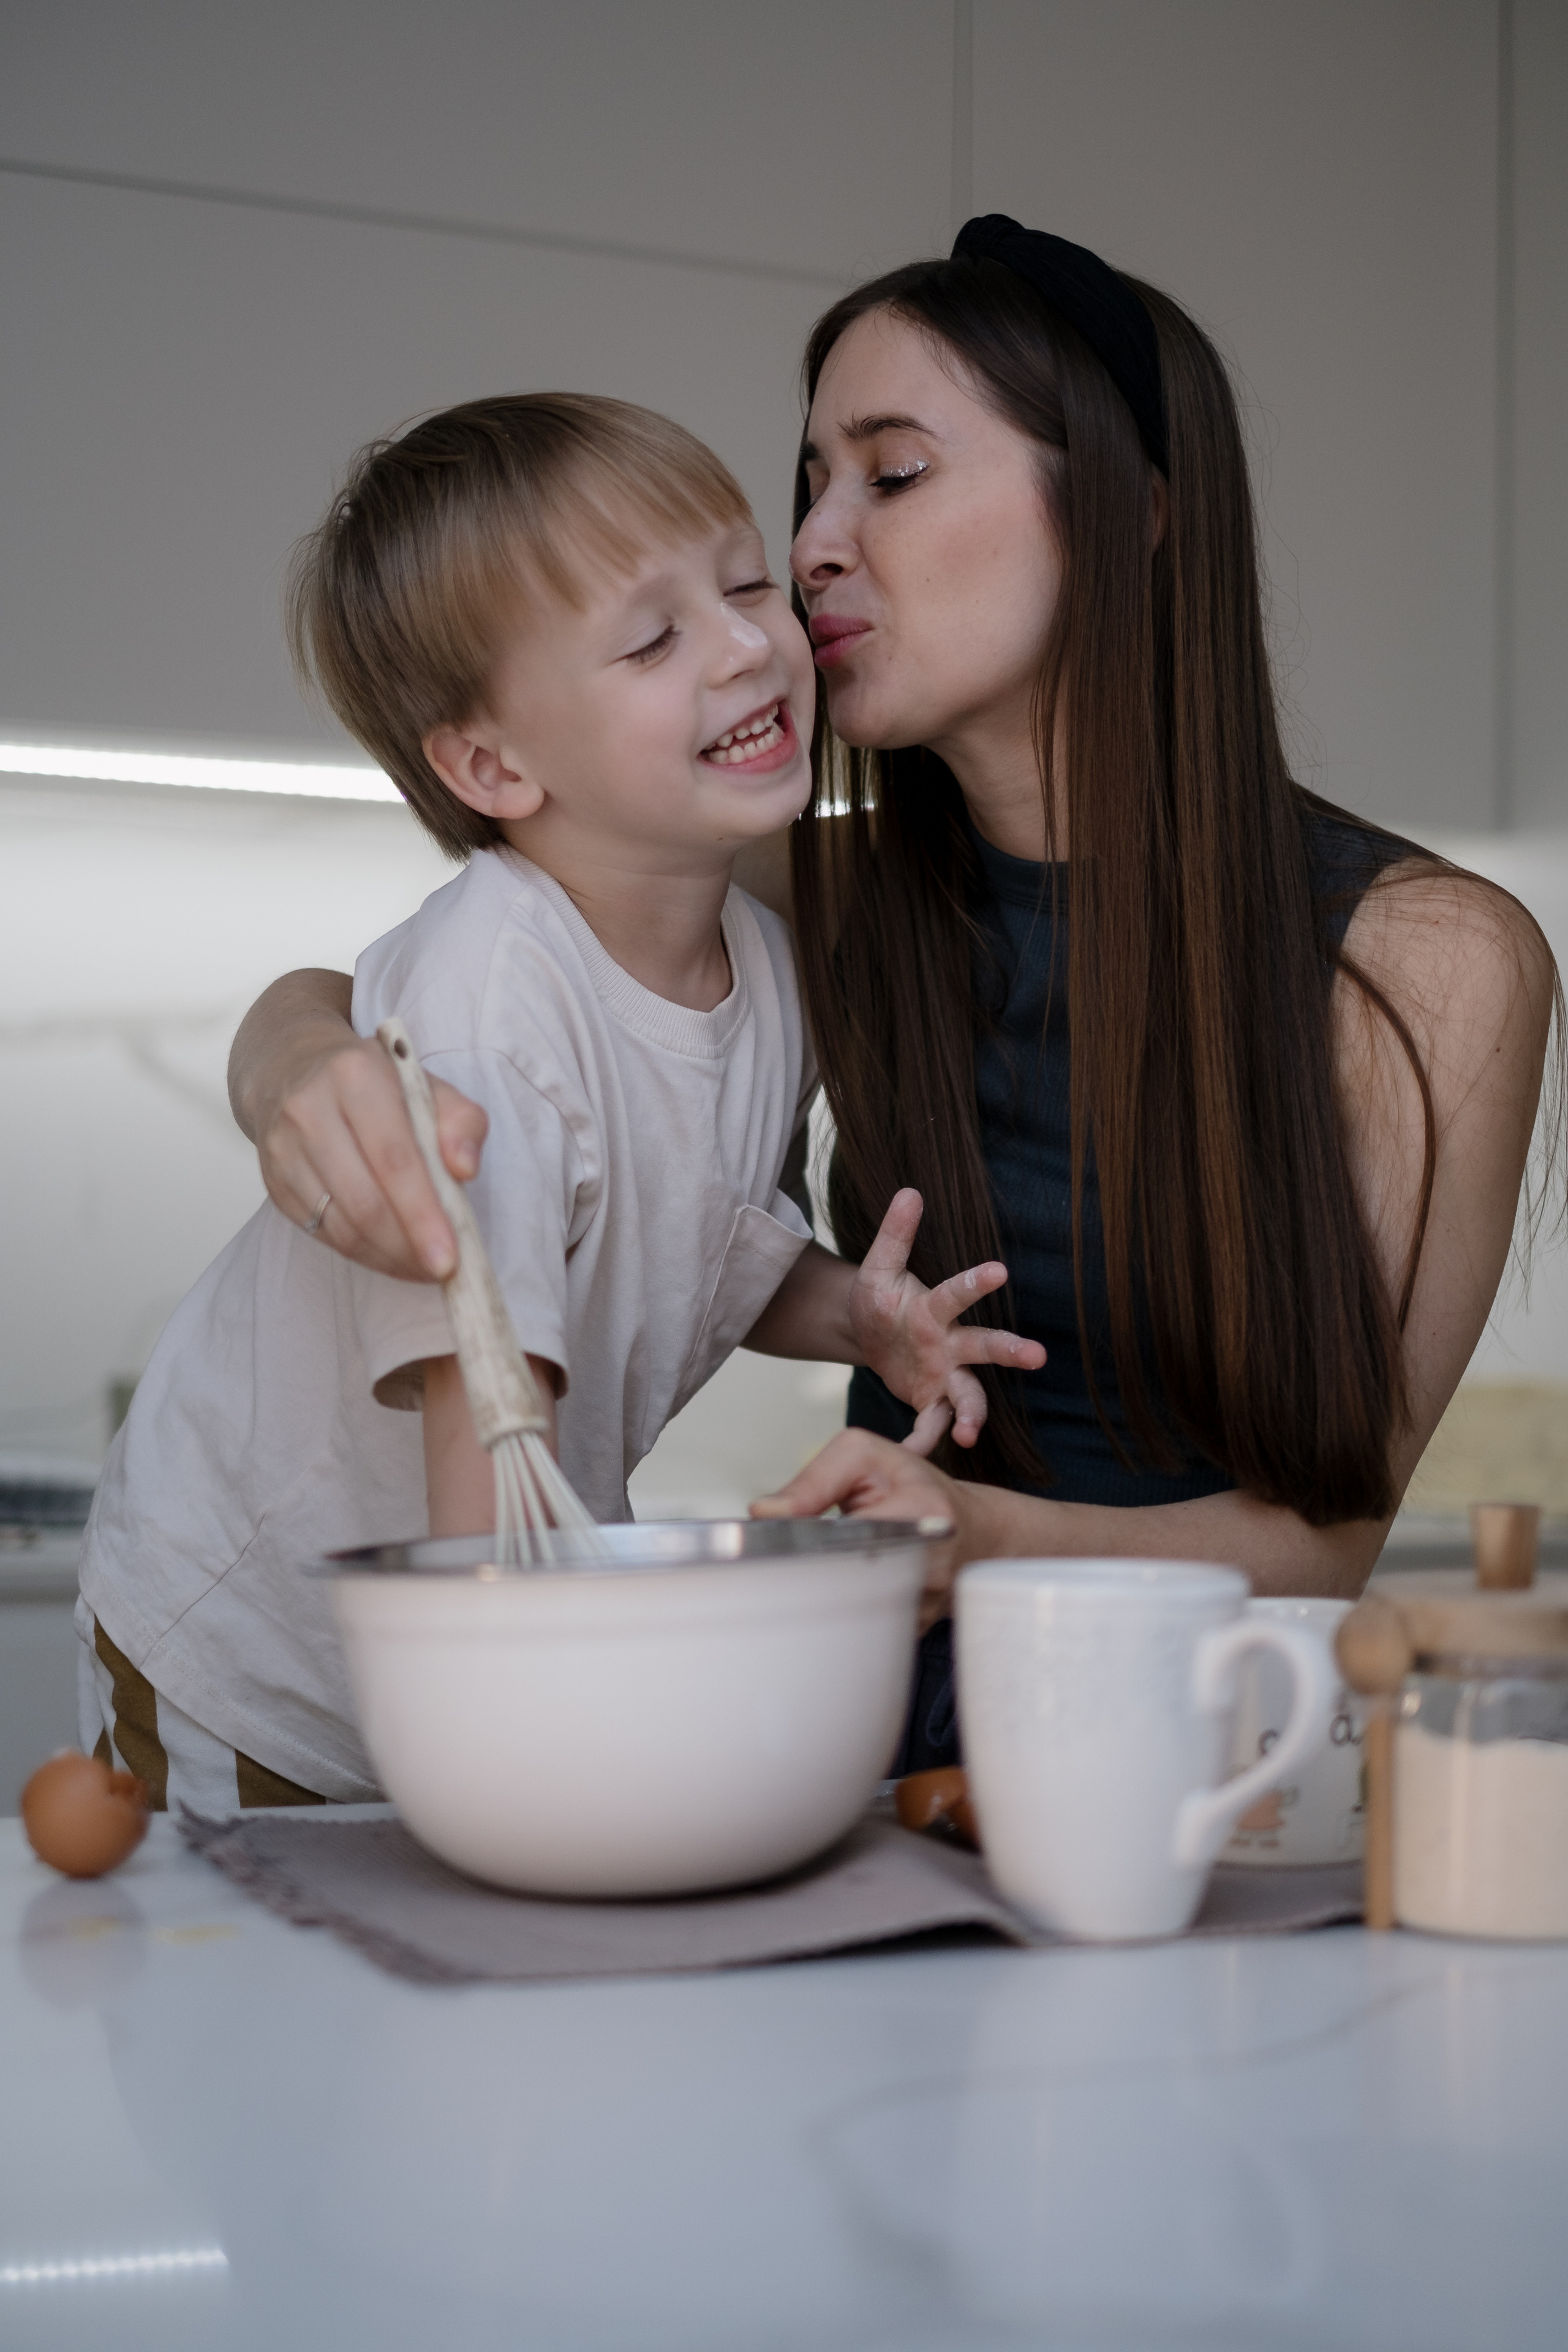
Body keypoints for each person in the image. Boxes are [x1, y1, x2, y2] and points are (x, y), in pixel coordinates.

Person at [225, 225, 1561, 1775]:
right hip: (869, 1735)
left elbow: (1321, 1552)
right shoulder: (822, 894)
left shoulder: (1431, 965)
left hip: (1206, 1760)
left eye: (893, 473)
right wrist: (291, 1061)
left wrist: (976, 1534)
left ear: (1131, 508)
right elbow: (447, 973)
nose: (808, 549)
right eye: (811, 484)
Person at [78, 392, 1042, 1810]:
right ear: (491, 768)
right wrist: (546, 1754)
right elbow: (488, 1425)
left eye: (738, 583)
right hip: (255, 1649)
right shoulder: (488, 1002)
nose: (743, 646)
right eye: (652, 639)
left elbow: (700, 1246)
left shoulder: (756, 965)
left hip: (472, 1615)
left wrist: (858, 1316)